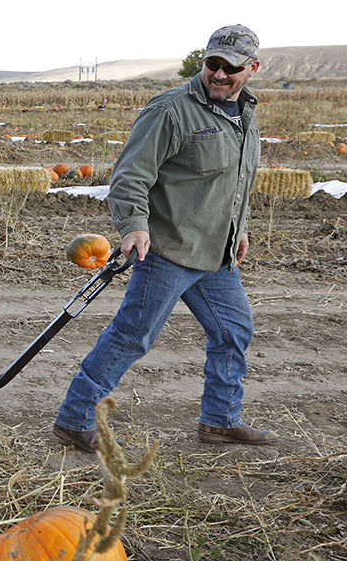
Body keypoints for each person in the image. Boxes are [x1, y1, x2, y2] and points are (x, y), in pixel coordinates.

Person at [52, 24, 277, 452]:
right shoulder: (171, 110)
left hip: (215, 254)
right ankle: (75, 420)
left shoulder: (245, 113)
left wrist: (239, 228)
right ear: (204, 61)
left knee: (233, 331)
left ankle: (220, 420)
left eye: (232, 68)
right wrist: (134, 226)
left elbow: (239, 179)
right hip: (168, 250)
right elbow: (130, 176)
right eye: (213, 64)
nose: (220, 74)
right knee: (132, 335)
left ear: (252, 69)